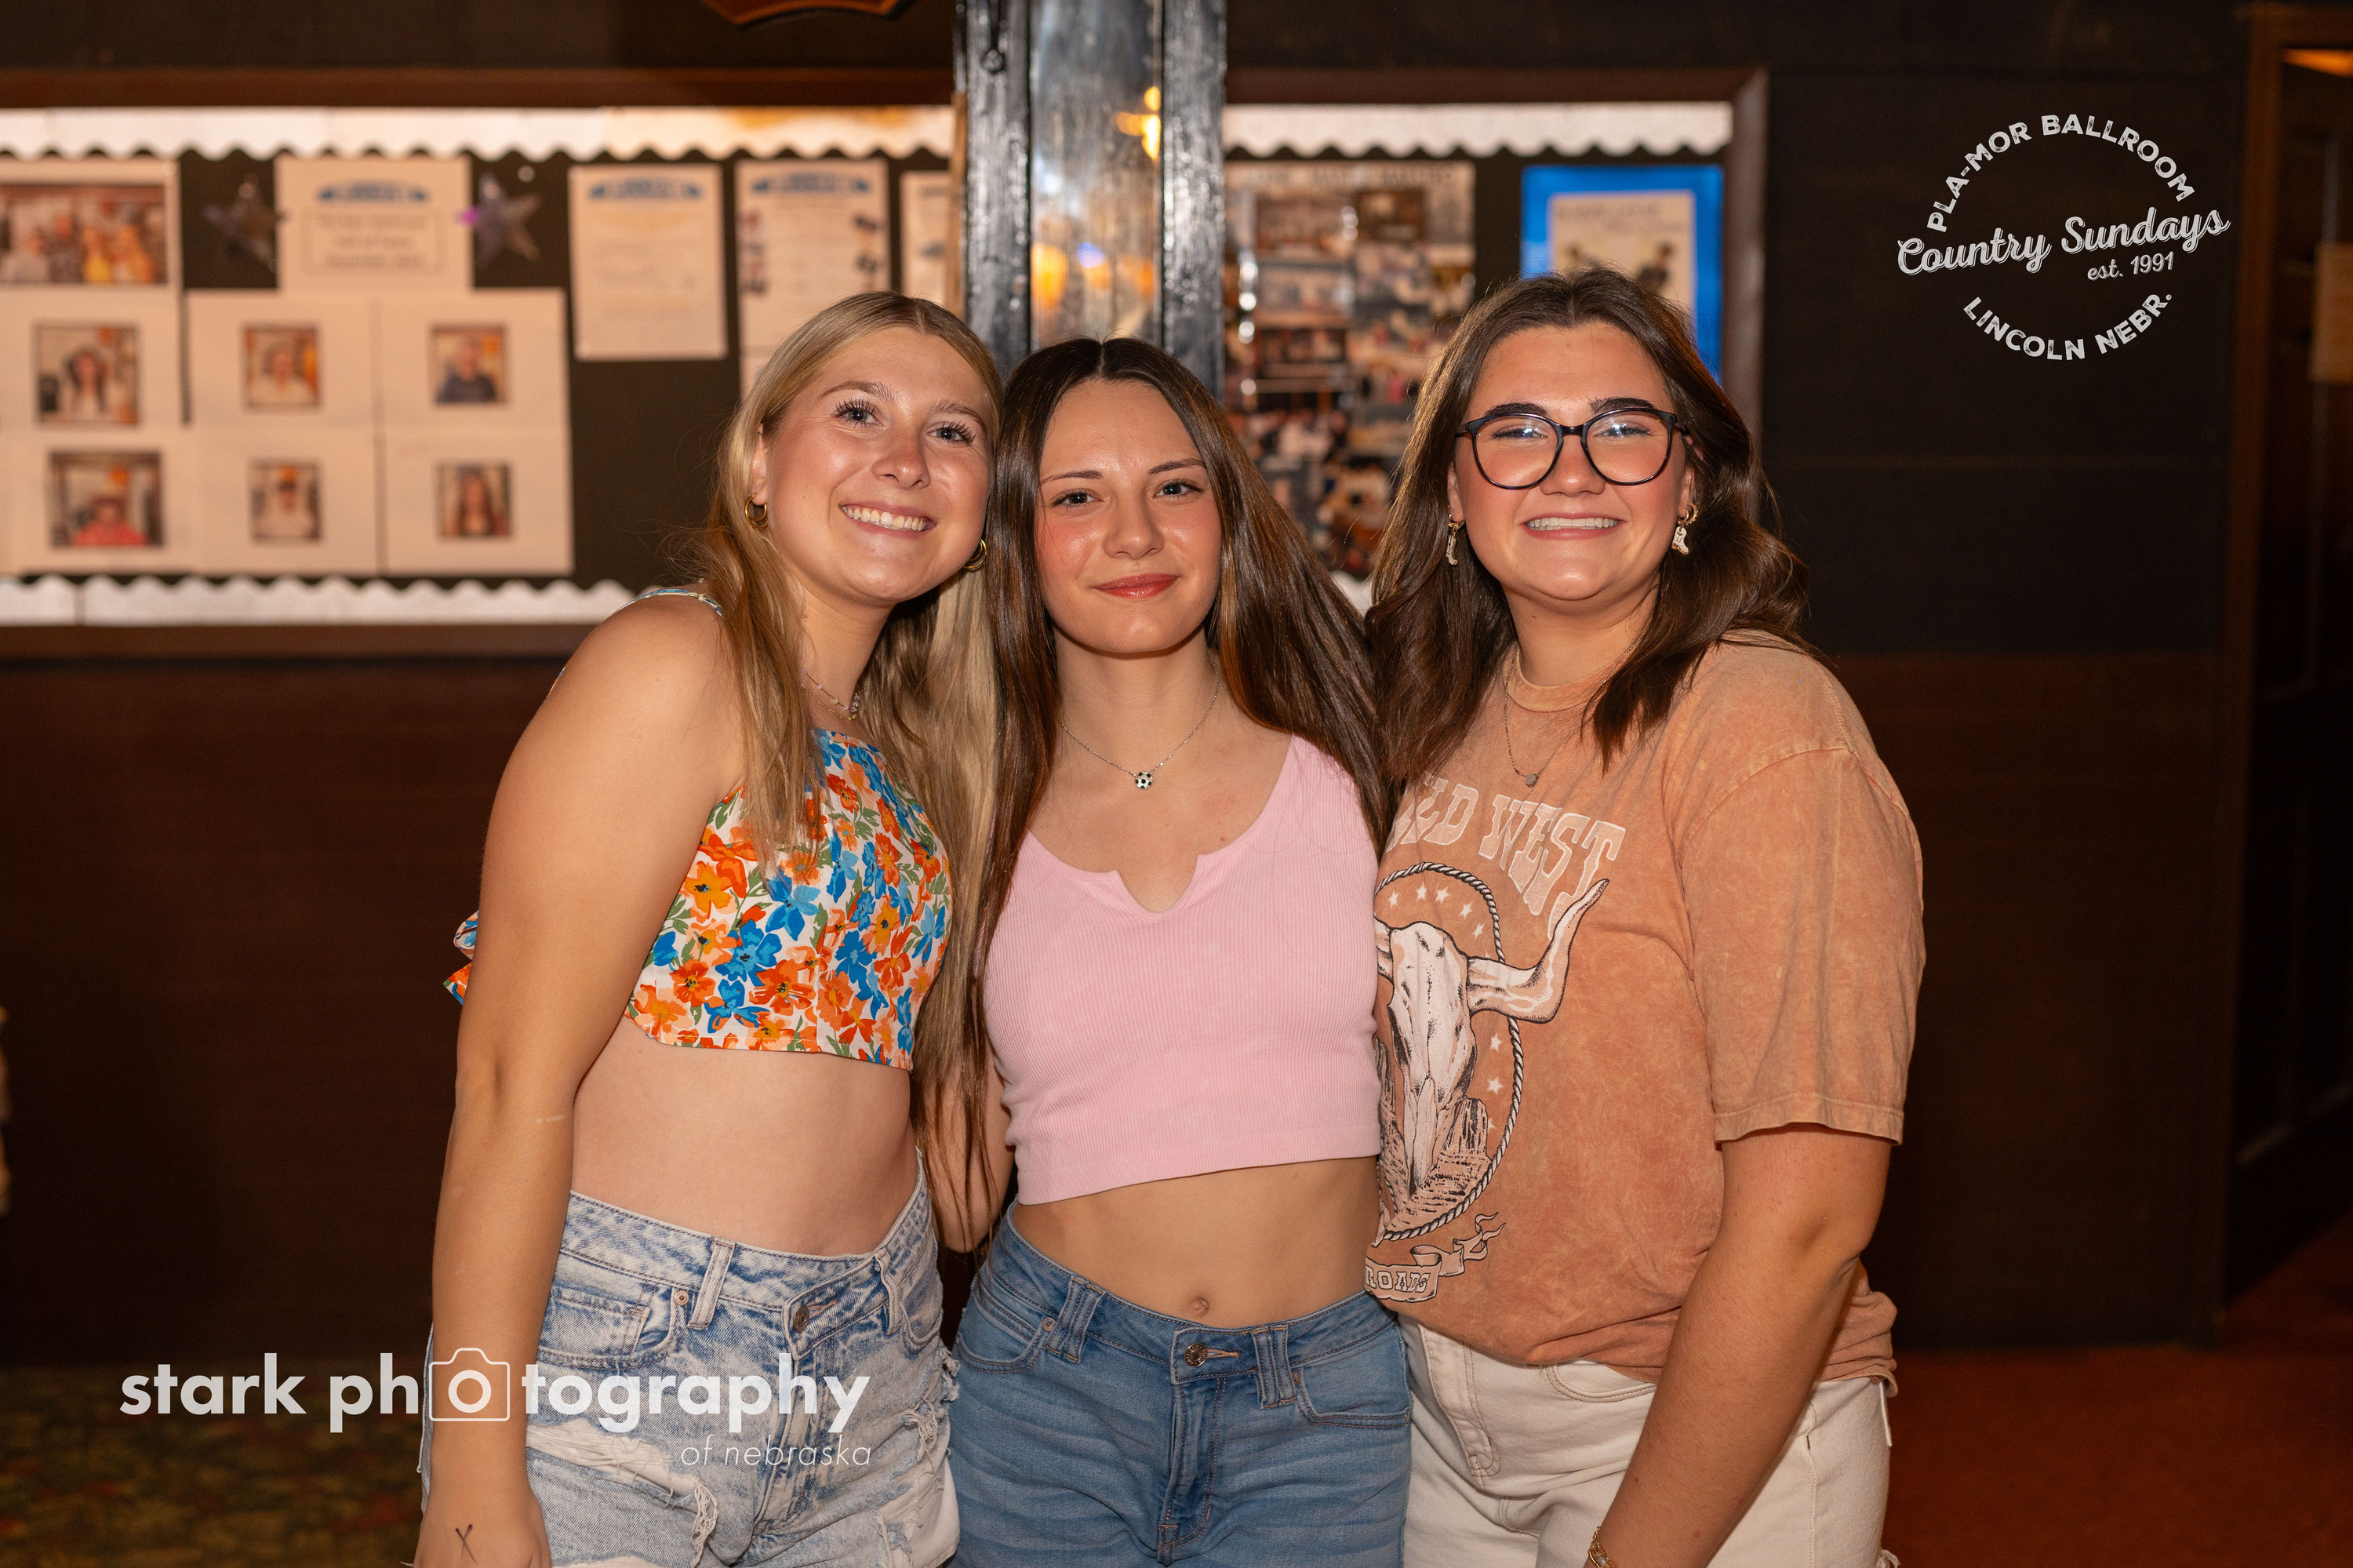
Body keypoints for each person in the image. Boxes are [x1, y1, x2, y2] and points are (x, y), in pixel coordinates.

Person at [411, 292, 998, 1568]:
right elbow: (510, 1081)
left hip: (878, 1367)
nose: (906, 459)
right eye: (859, 413)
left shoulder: (919, 745)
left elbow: (962, 1173)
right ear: (758, 460)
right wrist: (473, 1466)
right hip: (634, 1358)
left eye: (952, 432)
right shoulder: (672, 658)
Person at [1364, 268, 1922, 1567]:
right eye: (1518, 430)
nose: (1572, 469)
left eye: (1623, 428)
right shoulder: (1424, 707)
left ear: (1692, 483)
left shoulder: (1766, 730)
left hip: (1693, 1428)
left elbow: (1810, 1216)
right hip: (1436, 1418)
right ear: (1454, 489)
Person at [930, 337, 1408, 1566]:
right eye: (1078, 496)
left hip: (1326, 1404)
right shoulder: (968, 803)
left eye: (1174, 486)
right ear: (1014, 534)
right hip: (1048, 1390)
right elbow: (958, 1183)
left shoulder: (1363, 752)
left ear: (1227, 511)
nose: (1134, 533)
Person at [443, 466, 507, 539]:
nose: (474, 499)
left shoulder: (498, 522)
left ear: (485, 493)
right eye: (470, 493)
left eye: (477, 493)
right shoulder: (453, 525)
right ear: (463, 495)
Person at [438, 333, 501, 403]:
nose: (469, 361)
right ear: (459, 358)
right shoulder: (450, 385)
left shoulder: (486, 383)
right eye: (466, 359)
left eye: (472, 360)